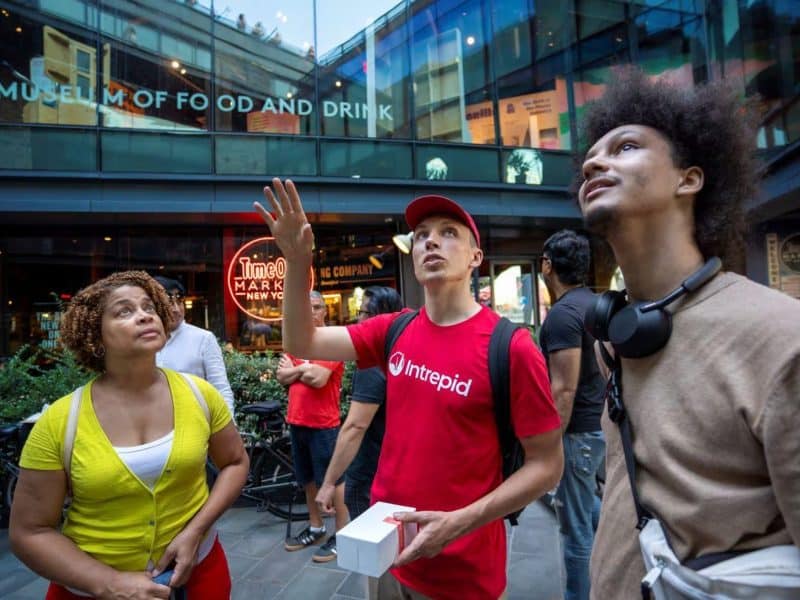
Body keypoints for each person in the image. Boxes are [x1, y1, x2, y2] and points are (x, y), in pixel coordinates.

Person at [255, 181, 563, 600]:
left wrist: (461, 521)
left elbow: (547, 466)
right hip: (387, 549)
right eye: (421, 236)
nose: (431, 242)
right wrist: (296, 260)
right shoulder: (395, 329)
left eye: (448, 232)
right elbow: (300, 342)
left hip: (462, 567)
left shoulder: (511, 347)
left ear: (476, 257)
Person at [576, 67, 800, 599]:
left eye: (625, 147)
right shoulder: (618, 337)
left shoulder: (779, 335)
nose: (593, 163)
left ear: (689, 178)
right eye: (590, 159)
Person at [9, 270, 248, 599]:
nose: (144, 316)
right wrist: (109, 582)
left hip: (200, 576)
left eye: (149, 307)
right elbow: (28, 532)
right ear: (95, 337)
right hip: (88, 591)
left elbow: (235, 462)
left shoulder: (200, 395)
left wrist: (196, 531)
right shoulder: (60, 422)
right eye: (124, 311)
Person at [538, 230, 605, 600]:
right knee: (587, 501)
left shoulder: (563, 316)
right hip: (597, 426)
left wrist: (549, 447)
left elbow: (564, 388)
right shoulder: (593, 304)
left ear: (548, 265)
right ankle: (622, 542)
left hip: (577, 432)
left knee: (575, 532)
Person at [316, 286, 403, 519]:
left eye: (363, 312)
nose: (358, 318)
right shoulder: (401, 353)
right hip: (393, 467)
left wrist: (328, 483)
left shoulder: (373, 363)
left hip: (370, 472)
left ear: (377, 316)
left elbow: (356, 426)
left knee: (372, 547)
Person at [277, 290, 347, 563]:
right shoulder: (296, 341)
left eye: (317, 307)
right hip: (297, 421)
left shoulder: (332, 341)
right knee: (307, 479)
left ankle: (342, 534)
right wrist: (300, 371)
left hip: (324, 425)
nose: (313, 313)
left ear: (325, 311)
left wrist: (297, 370)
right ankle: (317, 528)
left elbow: (319, 379)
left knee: (335, 482)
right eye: (308, 308)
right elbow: (282, 376)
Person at [153, 276, 235, 418]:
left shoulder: (203, 339)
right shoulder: (144, 342)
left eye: (179, 302)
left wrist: (229, 428)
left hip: (197, 423)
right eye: (169, 303)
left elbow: (221, 389)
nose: (176, 309)